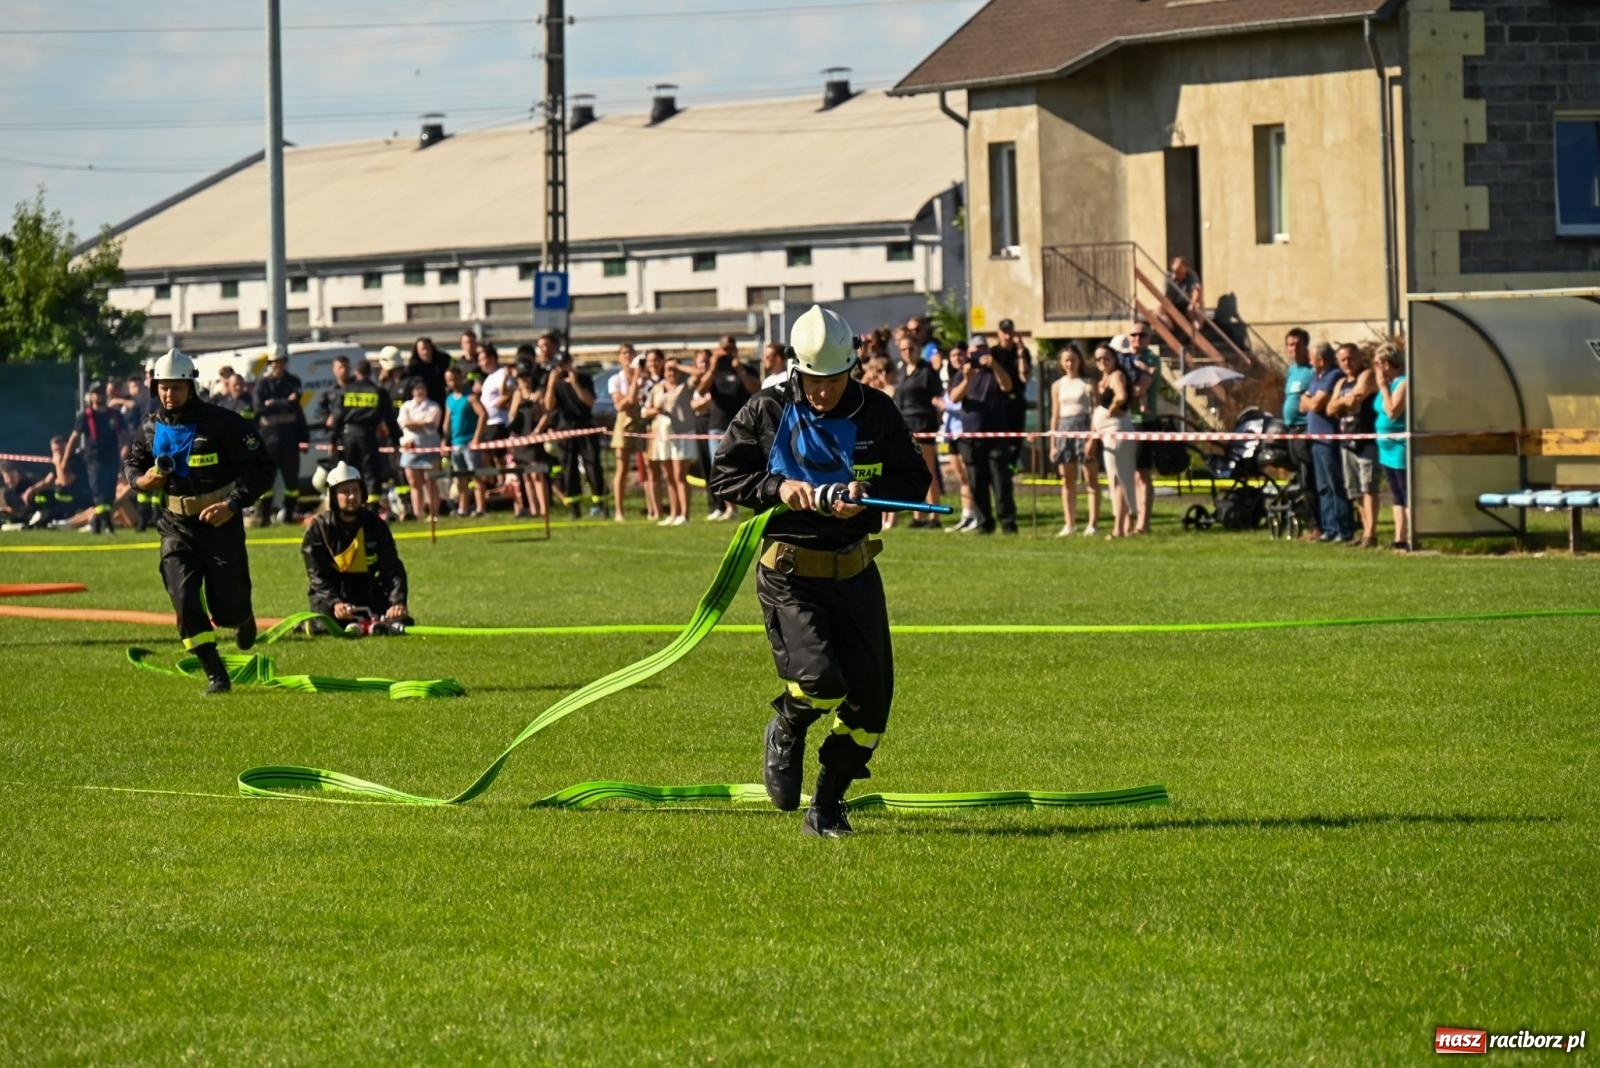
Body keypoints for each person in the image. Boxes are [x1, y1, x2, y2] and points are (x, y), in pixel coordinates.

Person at [710, 304, 931, 839]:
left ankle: (827, 807)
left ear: (851, 368)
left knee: (871, 703)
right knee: (820, 681)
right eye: (812, 380)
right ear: (795, 369)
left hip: (855, 572)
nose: (822, 392)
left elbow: (914, 480)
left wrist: (869, 499)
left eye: (833, 380)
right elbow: (723, 476)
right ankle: (787, 725)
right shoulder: (766, 409)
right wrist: (776, 489)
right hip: (789, 572)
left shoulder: (876, 411)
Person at [124, 350, 276, 694]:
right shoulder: (149, 427)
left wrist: (233, 504)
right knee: (183, 595)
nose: (168, 394)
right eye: (163, 387)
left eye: (176, 387)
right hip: (175, 525)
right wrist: (141, 481)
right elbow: (132, 466)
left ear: (191, 386)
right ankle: (215, 672)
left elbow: (263, 468)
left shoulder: (223, 423)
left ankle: (241, 616)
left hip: (220, 524)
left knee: (227, 606)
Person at [301, 461, 412, 631]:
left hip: (368, 592)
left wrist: (397, 603)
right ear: (333, 496)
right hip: (330, 596)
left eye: (355, 491)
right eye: (345, 492)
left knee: (399, 622)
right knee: (326, 627)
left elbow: (392, 569)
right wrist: (335, 603)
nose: (352, 496)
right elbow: (317, 577)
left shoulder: (376, 526)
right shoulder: (319, 528)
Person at [949, 335, 1016, 535]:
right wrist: (968, 379)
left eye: (982, 349)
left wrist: (994, 364)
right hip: (971, 437)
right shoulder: (963, 373)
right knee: (976, 481)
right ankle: (984, 523)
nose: (979, 353)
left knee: (1000, 480)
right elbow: (954, 398)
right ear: (969, 353)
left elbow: (1008, 386)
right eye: (975, 350)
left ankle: (1008, 523)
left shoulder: (995, 370)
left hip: (996, 435)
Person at [697, 335, 759, 521]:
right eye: (724, 348)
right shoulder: (715, 371)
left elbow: (756, 389)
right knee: (720, 468)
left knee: (745, 466)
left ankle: (750, 503)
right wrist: (713, 367)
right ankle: (729, 508)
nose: (727, 352)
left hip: (742, 425)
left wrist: (739, 370)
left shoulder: (745, 369)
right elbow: (700, 390)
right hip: (717, 426)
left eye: (730, 348)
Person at [1327, 342, 1379, 548]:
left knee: (1369, 487)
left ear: (1359, 358)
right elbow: (1330, 409)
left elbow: (1356, 399)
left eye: (1351, 358)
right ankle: (1365, 531)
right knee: (1355, 490)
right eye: (1343, 360)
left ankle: (1371, 533)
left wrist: (1342, 402)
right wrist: (1343, 401)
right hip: (1346, 440)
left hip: (1366, 439)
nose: (1347, 363)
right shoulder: (1340, 382)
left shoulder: (1366, 375)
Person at [1301, 342, 1354, 543]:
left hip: (1329, 439)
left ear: (1321, 360)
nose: (1310, 361)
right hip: (1315, 439)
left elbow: (1315, 404)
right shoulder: (1316, 378)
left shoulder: (1333, 376)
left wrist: (1311, 402)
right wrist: (1310, 402)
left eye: (1312, 358)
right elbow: (1302, 403)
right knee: (1322, 485)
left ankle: (1344, 528)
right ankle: (1329, 528)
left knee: (1335, 484)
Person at [544, 349, 606, 519]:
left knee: (592, 464)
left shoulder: (584, 378)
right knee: (569, 468)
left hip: (585, 427)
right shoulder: (553, 382)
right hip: (564, 429)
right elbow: (548, 407)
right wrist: (551, 384)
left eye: (565, 364)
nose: (563, 368)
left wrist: (575, 384)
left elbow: (590, 402)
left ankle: (600, 503)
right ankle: (574, 507)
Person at [331, 357, 399, 512]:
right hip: (368, 435)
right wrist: (395, 441)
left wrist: (333, 440)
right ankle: (372, 507)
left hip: (348, 436)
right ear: (370, 373)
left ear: (356, 371)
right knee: (372, 473)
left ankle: (350, 506)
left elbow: (337, 416)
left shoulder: (346, 390)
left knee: (350, 472)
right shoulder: (378, 392)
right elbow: (389, 419)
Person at [63, 383, 129, 535]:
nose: (100, 396)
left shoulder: (115, 414)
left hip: (112, 458)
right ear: (91, 396)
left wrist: (125, 447)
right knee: (99, 492)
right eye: (96, 393)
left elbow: (125, 433)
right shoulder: (85, 416)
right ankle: (107, 524)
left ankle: (97, 523)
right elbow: (74, 438)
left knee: (109, 492)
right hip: (94, 459)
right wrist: (66, 459)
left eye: (101, 393)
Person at [892, 337, 944, 527]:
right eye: (904, 349)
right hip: (906, 425)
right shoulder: (903, 372)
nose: (907, 352)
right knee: (912, 472)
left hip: (923, 425)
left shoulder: (927, 371)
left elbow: (937, 396)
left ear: (918, 349)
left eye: (911, 348)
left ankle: (934, 516)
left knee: (928, 470)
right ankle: (918, 515)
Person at [1050, 342, 1100, 537]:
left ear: (1079, 361)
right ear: (1062, 363)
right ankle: (1069, 523)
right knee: (1067, 480)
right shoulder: (1057, 385)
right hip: (1064, 429)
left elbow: (1096, 411)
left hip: (1085, 428)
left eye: (1073, 360)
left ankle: (1092, 524)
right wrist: (1053, 442)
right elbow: (1055, 414)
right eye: (1066, 361)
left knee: (1091, 478)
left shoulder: (1088, 383)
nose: (1070, 364)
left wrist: (1093, 437)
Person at [643, 353, 696, 525]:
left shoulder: (685, 386)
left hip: (682, 434)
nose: (670, 372)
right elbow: (646, 411)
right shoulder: (657, 388)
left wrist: (679, 365)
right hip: (663, 435)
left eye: (673, 369)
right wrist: (656, 410)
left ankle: (685, 515)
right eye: (667, 369)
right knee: (669, 476)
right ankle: (674, 513)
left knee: (680, 474)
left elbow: (698, 374)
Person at [1091, 345, 1137, 538]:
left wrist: (1111, 409)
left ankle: (1118, 528)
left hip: (1117, 431)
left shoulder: (1117, 375)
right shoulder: (1104, 378)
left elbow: (1122, 396)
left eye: (1106, 358)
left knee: (1119, 479)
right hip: (1106, 433)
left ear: (1114, 358)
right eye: (1098, 359)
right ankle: (1126, 525)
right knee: (1117, 478)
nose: (1102, 362)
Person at [1280, 328, 1320, 540]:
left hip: (1306, 431)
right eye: (1289, 344)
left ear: (1306, 346)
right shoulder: (1292, 371)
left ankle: (1317, 526)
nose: (1293, 349)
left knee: (1309, 480)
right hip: (1291, 432)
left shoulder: (1312, 371)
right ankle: (1308, 520)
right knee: (1301, 481)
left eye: (1297, 344)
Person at [1122, 323, 1161, 534]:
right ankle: (1128, 520)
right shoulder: (1125, 358)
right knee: (1129, 474)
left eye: (1142, 335)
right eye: (1134, 335)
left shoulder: (1151, 360)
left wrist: (1120, 390)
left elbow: (1139, 389)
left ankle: (1143, 523)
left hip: (1144, 420)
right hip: (1125, 420)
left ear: (1149, 338)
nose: (1137, 338)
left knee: (1143, 473)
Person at [1372, 343, 1410, 551]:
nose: (1376, 369)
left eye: (1378, 364)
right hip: (1385, 447)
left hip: (1400, 447)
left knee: (1406, 491)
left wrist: (1384, 388)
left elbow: (1392, 411)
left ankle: (1413, 535)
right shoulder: (1386, 384)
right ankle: (1400, 537)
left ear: (1387, 364)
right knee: (1396, 493)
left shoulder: (1402, 383)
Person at [442, 365, 487, 517]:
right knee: (460, 478)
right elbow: (447, 422)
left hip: (469, 443)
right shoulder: (449, 400)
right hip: (456, 444)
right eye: (449, 380)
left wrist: (476, 438)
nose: (453, 382)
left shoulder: (470, 397)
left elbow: (483, 415)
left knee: (476, 476)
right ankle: (463, 508)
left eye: (455, 379)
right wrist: (444, 440)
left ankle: (480, 508)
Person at [397, 378, 443, 521]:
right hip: (410, 448)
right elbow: (404, 423)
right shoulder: (405, 406)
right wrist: (420, 423)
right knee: (414, 483)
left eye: (422, 388)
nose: (420, 391)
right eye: (417, 389)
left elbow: (431, 424)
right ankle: (418, 514)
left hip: (430, 447)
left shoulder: (434, 406)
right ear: (412, 391)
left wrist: (413, 423)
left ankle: (433, 514)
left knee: (431, 481)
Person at [405, 336, 450, 404]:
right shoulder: (413, 368)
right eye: (422, 349)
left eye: (427, 348)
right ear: (417, 351)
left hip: (441, 399)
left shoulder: (442, 362)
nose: (426, 352)